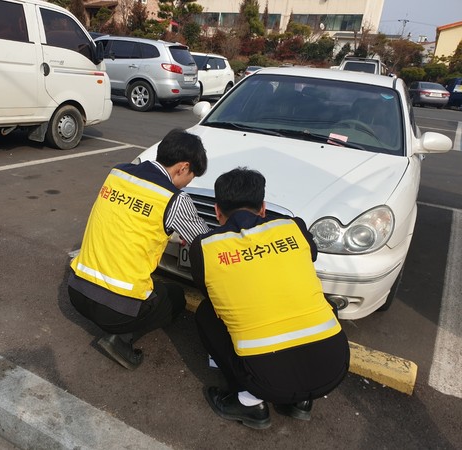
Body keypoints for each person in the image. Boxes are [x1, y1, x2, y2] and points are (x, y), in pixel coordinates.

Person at [189, 167, 349, 429]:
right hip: (333, 369)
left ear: (217, 211)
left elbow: (212, 293)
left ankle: (249, 402)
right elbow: (309, 256)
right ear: (262, 207)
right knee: (323, 303)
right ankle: (301, 403)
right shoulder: (293, 226)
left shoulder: (205, 247)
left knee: (208, 313)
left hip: (266, 381)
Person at [68, 128, 209, 370]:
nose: (188, 183)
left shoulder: (118, 174)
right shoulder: (174, 199)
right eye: (192, 176)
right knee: (174, 296)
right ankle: (120, 339)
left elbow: (131, 220)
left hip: (77, 292)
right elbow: (207, 243)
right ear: (183, 167)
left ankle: (117, 327)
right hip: (116, 311)